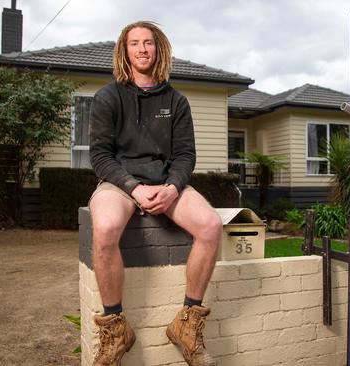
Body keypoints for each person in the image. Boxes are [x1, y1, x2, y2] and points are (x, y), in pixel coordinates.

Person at [88, 21, 222, 366]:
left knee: (210, 225)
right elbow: (100, 156)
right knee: (103, 229)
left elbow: (185, 155)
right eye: (135, 43)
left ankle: (187, 323)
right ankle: (116, 329)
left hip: (166, 183)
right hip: (120, 184)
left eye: (148, 43)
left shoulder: (176, 101)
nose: (142, 49)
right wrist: (133, 188)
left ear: (159, 49)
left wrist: (173, 186)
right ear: (125, 51)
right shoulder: (107, 97)